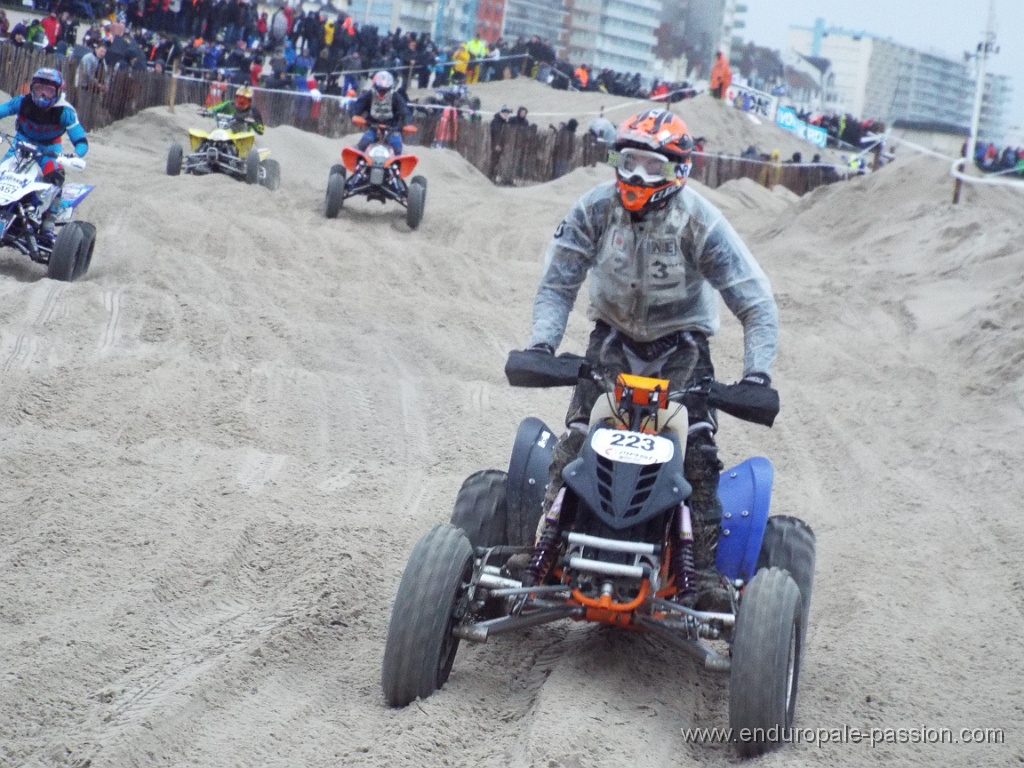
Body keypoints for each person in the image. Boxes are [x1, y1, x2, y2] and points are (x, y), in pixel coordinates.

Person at [521, 108, 778, 609]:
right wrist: (541, 345)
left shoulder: (700, 221)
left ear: (678, 170)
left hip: (682, 349)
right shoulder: (594, 209)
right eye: (629, 161)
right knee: (576, 443)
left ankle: (698, 575)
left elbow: (755, 299)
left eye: (651, 166)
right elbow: (558, 282)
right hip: (611, 342)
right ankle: (542, 552)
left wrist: (757, 373)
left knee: (696, 455)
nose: (637, 176)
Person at [0, 68, 89, 241]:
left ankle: (49, 220)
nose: (42, 95)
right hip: (21, 144)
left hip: (49, 151)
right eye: (38, 88)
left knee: (56, 177)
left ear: (58, 92)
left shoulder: (65, 112)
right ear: (32, 88)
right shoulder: (22, 102)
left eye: (48, 91)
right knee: (2, 172)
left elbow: (81, 141)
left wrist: (74, 155)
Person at [350, 70, 411, 155]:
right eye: (380, 89)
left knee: (397, 146)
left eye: (385, 89)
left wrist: (408, 123)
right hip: (373, 125)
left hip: (392, 127)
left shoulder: (396, 96)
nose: (382, 91)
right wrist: (354, 115)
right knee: (365, 141)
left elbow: (404, 110)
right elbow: (357, 106)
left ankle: (397, 165)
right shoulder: (369, 94)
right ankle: (358, 164)